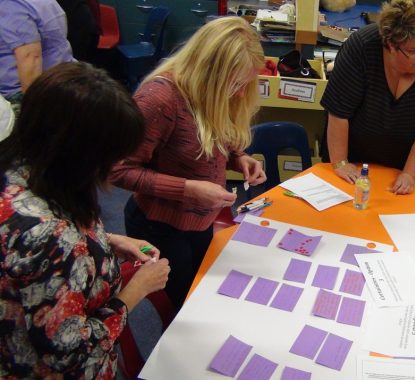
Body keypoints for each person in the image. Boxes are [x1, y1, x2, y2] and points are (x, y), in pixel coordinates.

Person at [0, 62, 170, 379]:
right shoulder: (53, 238)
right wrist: (136, 290)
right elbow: (68, 356)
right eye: (114, 154)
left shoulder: (28, 175)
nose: (120, 163)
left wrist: (106, 242)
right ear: (81, 156)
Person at [110, 17, 267, 311]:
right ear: (209, 72)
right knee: (183, 310)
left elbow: (210, 141)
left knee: (203, 298)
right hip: (160, 227)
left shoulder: (213, 93)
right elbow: (117, 169)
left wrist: (239, 158)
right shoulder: (160, 98)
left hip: (199, 221)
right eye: (235, 83)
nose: (241, 93)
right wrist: (187, 189)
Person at [321, 0, 415, 194]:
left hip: (406, 162)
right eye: (413, 51)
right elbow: (338, 113)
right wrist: (341, 163)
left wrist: (409, 174)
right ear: (391, 45)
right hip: (353, 157)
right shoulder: (362, 47)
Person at [0, 0, 75, 104]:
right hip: (61, 78)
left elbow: (31, 58)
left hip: (22, 93)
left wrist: (31, 108)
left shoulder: (10, 7)